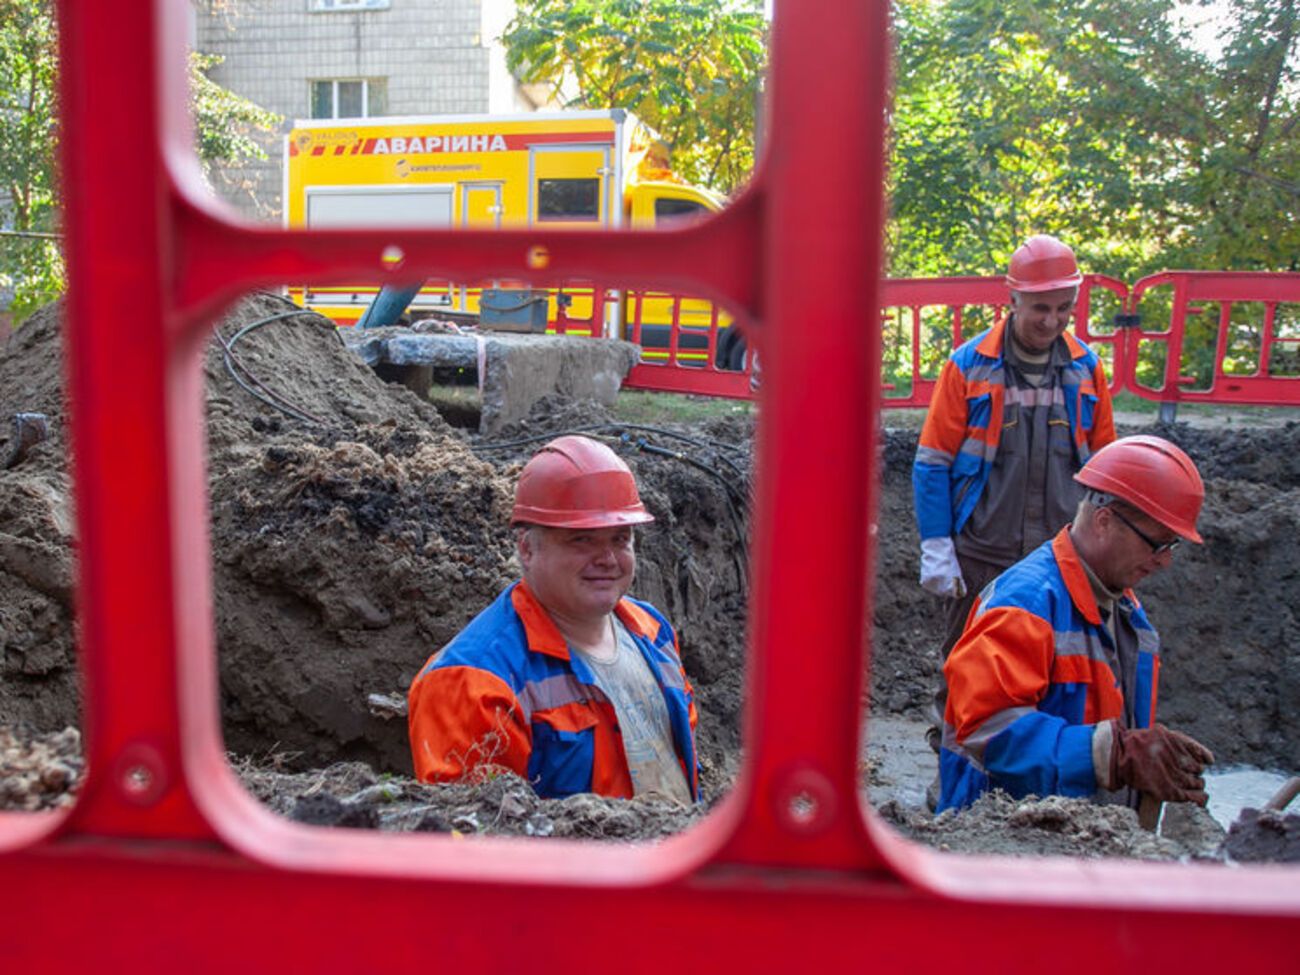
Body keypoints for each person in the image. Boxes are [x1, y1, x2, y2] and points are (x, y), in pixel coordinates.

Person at [912, 234, 1118, 787]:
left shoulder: (1086, 371)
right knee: (964, 670)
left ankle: (1036, 786)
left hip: (1060, 559)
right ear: (1012, 299)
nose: (1052, 321)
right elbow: (932, 462)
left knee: (1056, 672)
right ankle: (952, 787)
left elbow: (1104, 470)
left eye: (1063, 309)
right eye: (1041, 308)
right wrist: (937, 545)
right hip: (981, 554)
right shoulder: (968, 366)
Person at [408, 435, 699, 802]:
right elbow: (476, 839)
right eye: (582, 540)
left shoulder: (653, 633)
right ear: (527, 548)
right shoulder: (472, 682)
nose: (607, 559)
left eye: (620, 539)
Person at [936, 435, 1215, 814]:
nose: (1164, 561)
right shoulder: (1024, 605)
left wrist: (1141, 753)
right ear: (1104, 521)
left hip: (1075, 842)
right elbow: (988, 729)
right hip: (1003, 847)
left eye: (1172, 547)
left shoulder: (1126, 609)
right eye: (1158, 544)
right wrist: (1110, 755)